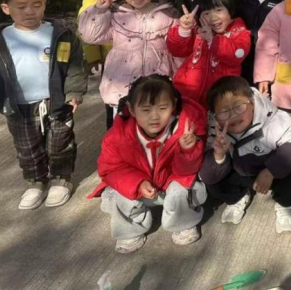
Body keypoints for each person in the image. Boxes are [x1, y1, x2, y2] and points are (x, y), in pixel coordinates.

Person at [88, 75, 207, 253]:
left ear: (174, 105)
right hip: (141, 189)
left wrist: (187, 151)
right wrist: (137, 183)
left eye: (163, 108)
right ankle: (130, 229)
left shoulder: (185, 130)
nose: (154, 116)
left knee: (184, 186)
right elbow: (110, 169)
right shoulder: (118, 136)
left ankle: (183, 222)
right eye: (145, 110)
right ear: (131, 109)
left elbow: (188, 171)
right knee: (121, 191)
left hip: (170, 185)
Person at [0, 0, 85, 210]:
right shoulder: (1, 40)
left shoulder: (61, 35)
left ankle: (60, 179)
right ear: (6, 8)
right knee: (27, 148)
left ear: (44, 4)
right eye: (21, 7)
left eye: (36, 5)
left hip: (57, 102)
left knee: (60, 143)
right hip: (19, 107)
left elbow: (75, 65)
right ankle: (35, 181)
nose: (30, 11)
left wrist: (74, 92)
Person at [78, 0, 180, 129]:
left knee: (157, 137)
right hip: (121, 91)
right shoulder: (115, 14)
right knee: (120, 138)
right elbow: (89, 36)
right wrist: (99, 10)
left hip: (158, 91)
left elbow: (179, 51)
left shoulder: (169, 14)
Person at [200, 76, 291, 232]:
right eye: (224, 112)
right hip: (242, 173)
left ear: (252, 103)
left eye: (239, 107)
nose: (233, 115)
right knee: (212, 177)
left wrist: (271, 171)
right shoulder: (217, 132)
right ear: (215, 115)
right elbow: (208, 176)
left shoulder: (272, 120)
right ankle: (237, 197)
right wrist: (219, 155)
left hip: (273, 174)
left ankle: (284, 204)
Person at [166, 0, 251, 107]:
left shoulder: (238, 31)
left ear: (230, 9)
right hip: (187, 94)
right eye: (206, 13)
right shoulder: (197, 30)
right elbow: (177, 50)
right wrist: (184, 29)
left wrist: (212, 40)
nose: (213, 17)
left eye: (218, 10)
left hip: (221, 98)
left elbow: (235, 55)